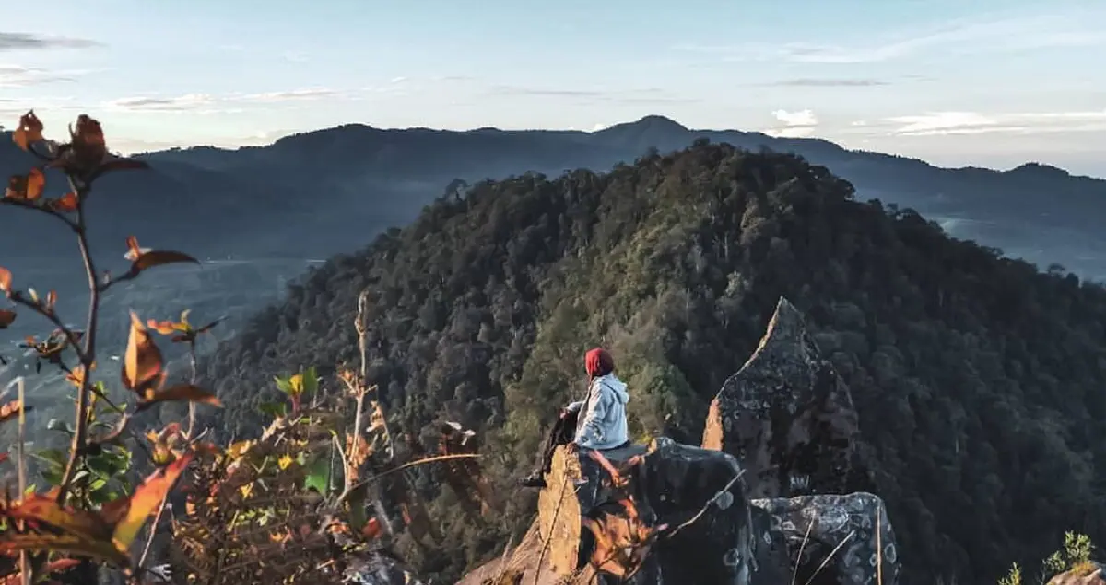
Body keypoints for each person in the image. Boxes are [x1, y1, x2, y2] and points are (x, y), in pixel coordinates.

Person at [519, 347, 630, 488]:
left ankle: (544, 471)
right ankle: (543, 470)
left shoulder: (601, 388)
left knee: (564, 424)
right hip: (617, 436)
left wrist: (578, 442)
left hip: (607, 441)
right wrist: (572, 407)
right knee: (567, 418)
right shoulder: (611, 382)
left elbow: (593, 419)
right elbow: (592, 404)